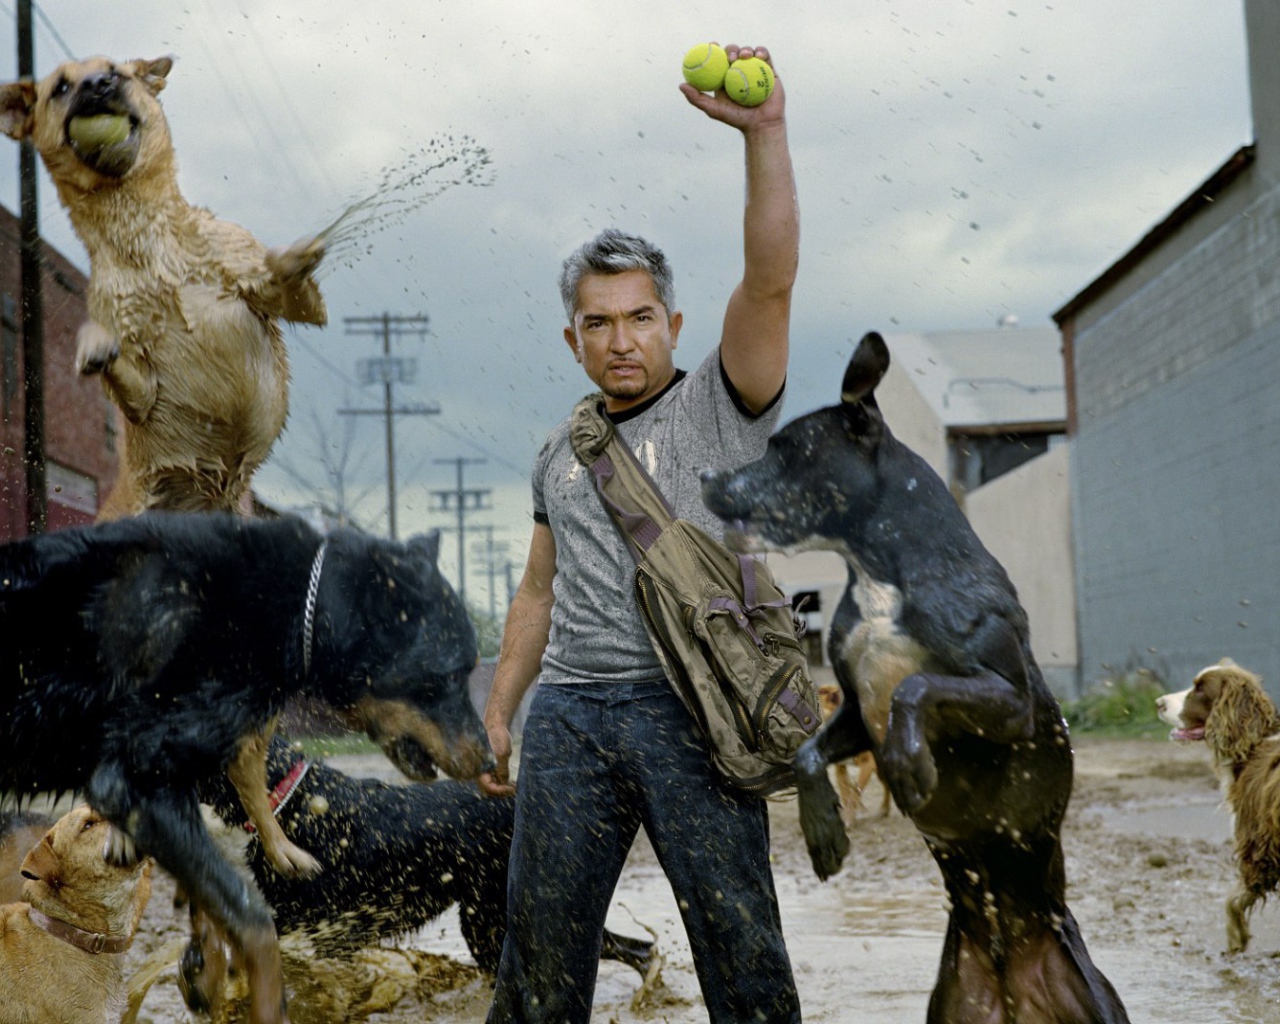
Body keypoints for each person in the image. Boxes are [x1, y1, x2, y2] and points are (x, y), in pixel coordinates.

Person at [479, 44, 801, 1024]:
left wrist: (764, 135)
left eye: (640, 317)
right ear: (571, 337)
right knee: (535, 970)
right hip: (571, 719)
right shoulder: (557, 449)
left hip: (690, 715)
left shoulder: (720, 405)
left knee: (741, 962)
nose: (621, 339)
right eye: (598, 322)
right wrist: (501, 712)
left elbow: (771, 277)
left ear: (672, 321)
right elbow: (537, 590)